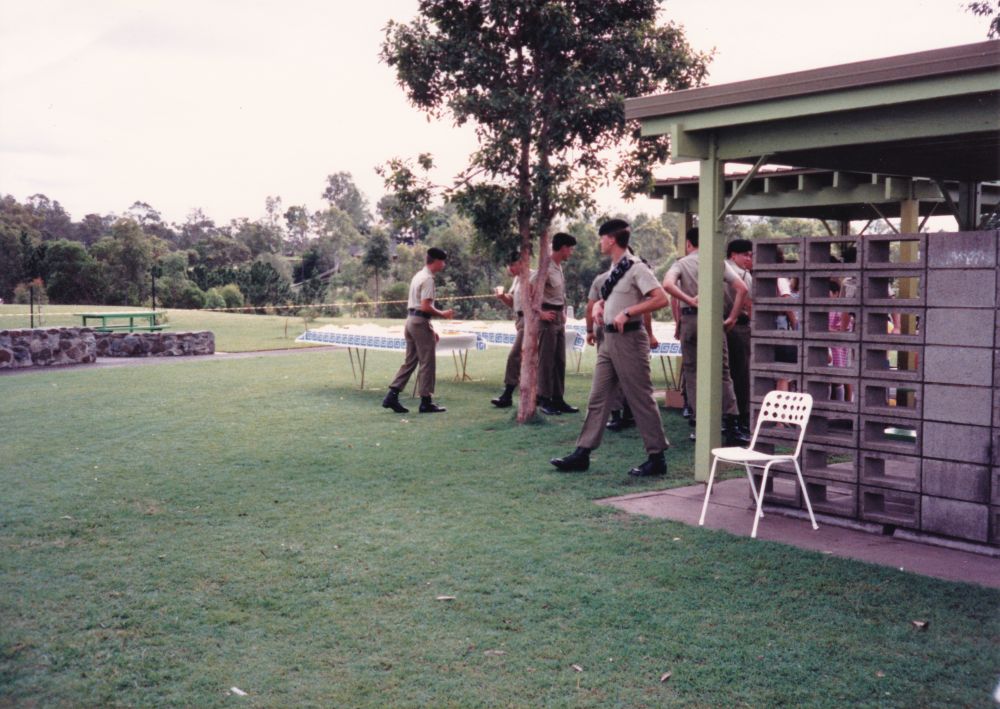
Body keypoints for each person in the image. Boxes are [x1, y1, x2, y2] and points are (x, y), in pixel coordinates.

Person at [550, 219, 671, 477]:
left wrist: (628, 312)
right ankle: (582, 453)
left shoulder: (636, 267)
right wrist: (599, 307)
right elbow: (612, 298)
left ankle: (657, 457)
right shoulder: (614, 270)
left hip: (629, 339)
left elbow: (661, 299)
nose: (600, 242)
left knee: (640, 398)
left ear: (612, 239)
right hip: (608, 340)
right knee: (598, 397)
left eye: (602, 238)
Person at [661, 227, 749, 446]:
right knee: (723, 372)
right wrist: (732, 317)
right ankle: (731, 424)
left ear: (689, 244)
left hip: (691, 320)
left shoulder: (682, 263)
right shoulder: (718, 263)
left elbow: (667, 285)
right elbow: (742, 289)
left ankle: (700, 423)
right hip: (714, 318)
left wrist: (689, 300)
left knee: (692, 372)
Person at [381, 247, 455, 414]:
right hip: (420, 321)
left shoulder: (418, 275)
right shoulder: (428, 279)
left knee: (410, 361)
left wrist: (429, 328)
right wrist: (443, 314)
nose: (444, 265)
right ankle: (425, 402)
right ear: (436, 261)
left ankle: (392, 395)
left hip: (411, 321)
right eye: (442, 262)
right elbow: (425, 306)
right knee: (427, 362)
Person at [534, 232, 578, 416]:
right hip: (548, 317)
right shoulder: (545, 267)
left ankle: (558, 399)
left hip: (559, 316)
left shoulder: (558, 267)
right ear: (563, 248)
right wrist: (540, 313)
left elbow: (560, 293)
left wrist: (564, 311)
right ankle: (544, 399)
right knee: (546, 360)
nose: (571, 253)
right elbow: (529, 291)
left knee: (560, 360)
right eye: (570, 249)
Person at [490, 251, 528, 408]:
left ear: (522, 263)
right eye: (508, 265)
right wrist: (502, 297)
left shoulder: (531, 277)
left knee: (514, 356)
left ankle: (507, 394)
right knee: (523, 358)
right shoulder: (517, 279)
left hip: (529, 321)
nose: (509, 268)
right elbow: (513, 302)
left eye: (512, 264)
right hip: (520, 320)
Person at [725, 239, 753, 437]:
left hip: (718, 326)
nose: (748, 259)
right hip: (739, 326)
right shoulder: (744, 275)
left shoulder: (715, 269)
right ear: (733, 255)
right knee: (741, 375)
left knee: (725, 376)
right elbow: (749, 303)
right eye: (745, 255)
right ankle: (743, 419)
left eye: (750, 255)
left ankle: (728, 419)